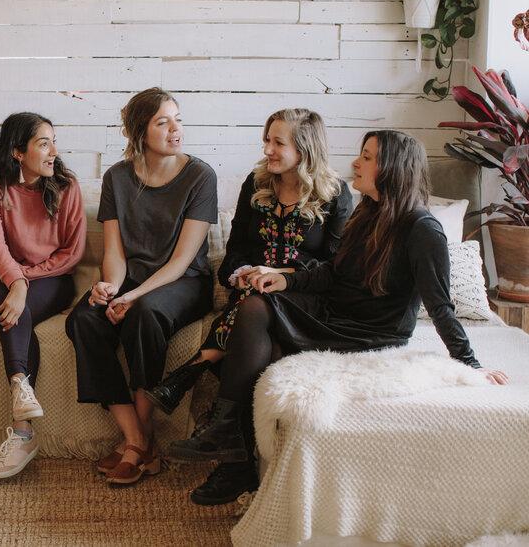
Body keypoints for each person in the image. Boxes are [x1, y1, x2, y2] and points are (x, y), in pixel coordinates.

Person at [169, 130, 510, 506]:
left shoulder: (421, 229)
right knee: (257, 302)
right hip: (336, 312)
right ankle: (233, 449)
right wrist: (285, 278)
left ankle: (229, 445)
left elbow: (442, 307)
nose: (355, 163)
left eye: (366, 157)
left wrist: (469, 364)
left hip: (370, 331)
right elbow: (334, 273)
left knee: (261, 327)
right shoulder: (369, 211)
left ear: (391, 167)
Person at [144, 108, 353, 416]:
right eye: (267, 140)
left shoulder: (335, 194)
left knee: (258, 308)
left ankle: (189, 374)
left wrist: (280, 273)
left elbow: (335, 268)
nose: (268, 149)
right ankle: (235, 454)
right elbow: (235, 252)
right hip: (250, 296)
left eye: (278, 143)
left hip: (303, 299)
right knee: (262, 331)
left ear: (304, 147)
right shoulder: (257, 185)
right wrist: (240, 273)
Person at [65, 87, 218, 485]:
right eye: (162, 122)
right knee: (84, 318)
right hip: (130, 278)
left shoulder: (200, 176)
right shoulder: (117, 177)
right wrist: (110, 287)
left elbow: (183, 259)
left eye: (178, 119)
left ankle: (138, 440)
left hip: (183, 282)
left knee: (145, 316)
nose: (176, 130)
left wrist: (133, 297)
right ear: (139, 131)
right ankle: (137, 439)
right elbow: (113, 251)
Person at [0, 112, 86, 480]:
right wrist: (17, 284)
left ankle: (22, 425)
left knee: (14, 312)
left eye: (54, 141)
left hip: (51, 279)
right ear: (17, 152)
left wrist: (25, 280)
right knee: (6, 297)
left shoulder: (66, 185)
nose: (54, 151)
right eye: (43, 143)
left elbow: (72, 253)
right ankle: (22, 406)